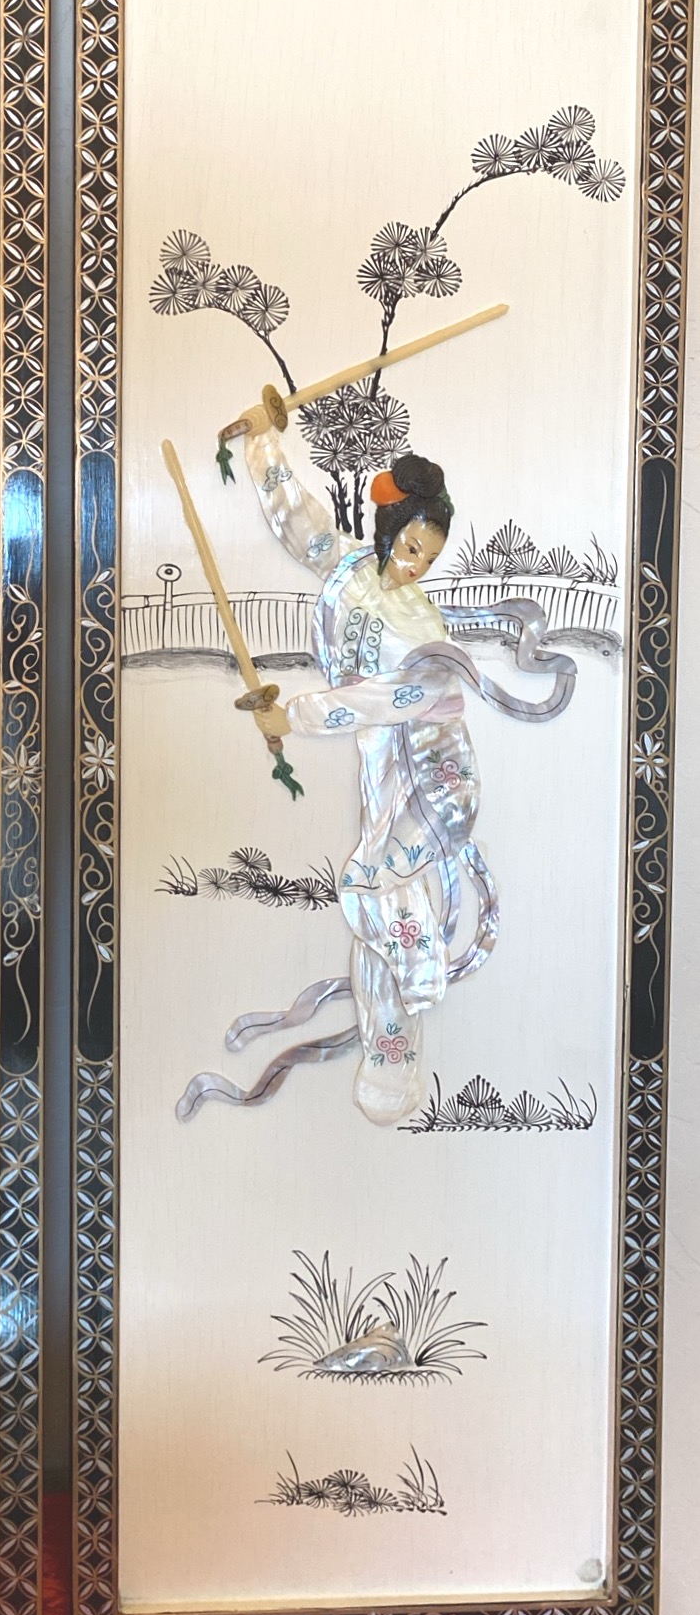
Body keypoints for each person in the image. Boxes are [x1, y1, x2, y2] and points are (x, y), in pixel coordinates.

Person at [178, 401, 574, 1128]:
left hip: (436, 779)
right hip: (384, 768)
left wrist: (293, 716)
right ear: (390, 529)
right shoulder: (354, 568)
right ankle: (388, 1054)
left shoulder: (422, 626)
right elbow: (300, 524)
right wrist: (264, 445)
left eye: (429, 555)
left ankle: (416, 989)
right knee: (374, 913)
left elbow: (378, 700)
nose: (415, 562)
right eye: (411, 544)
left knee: (370, 885)